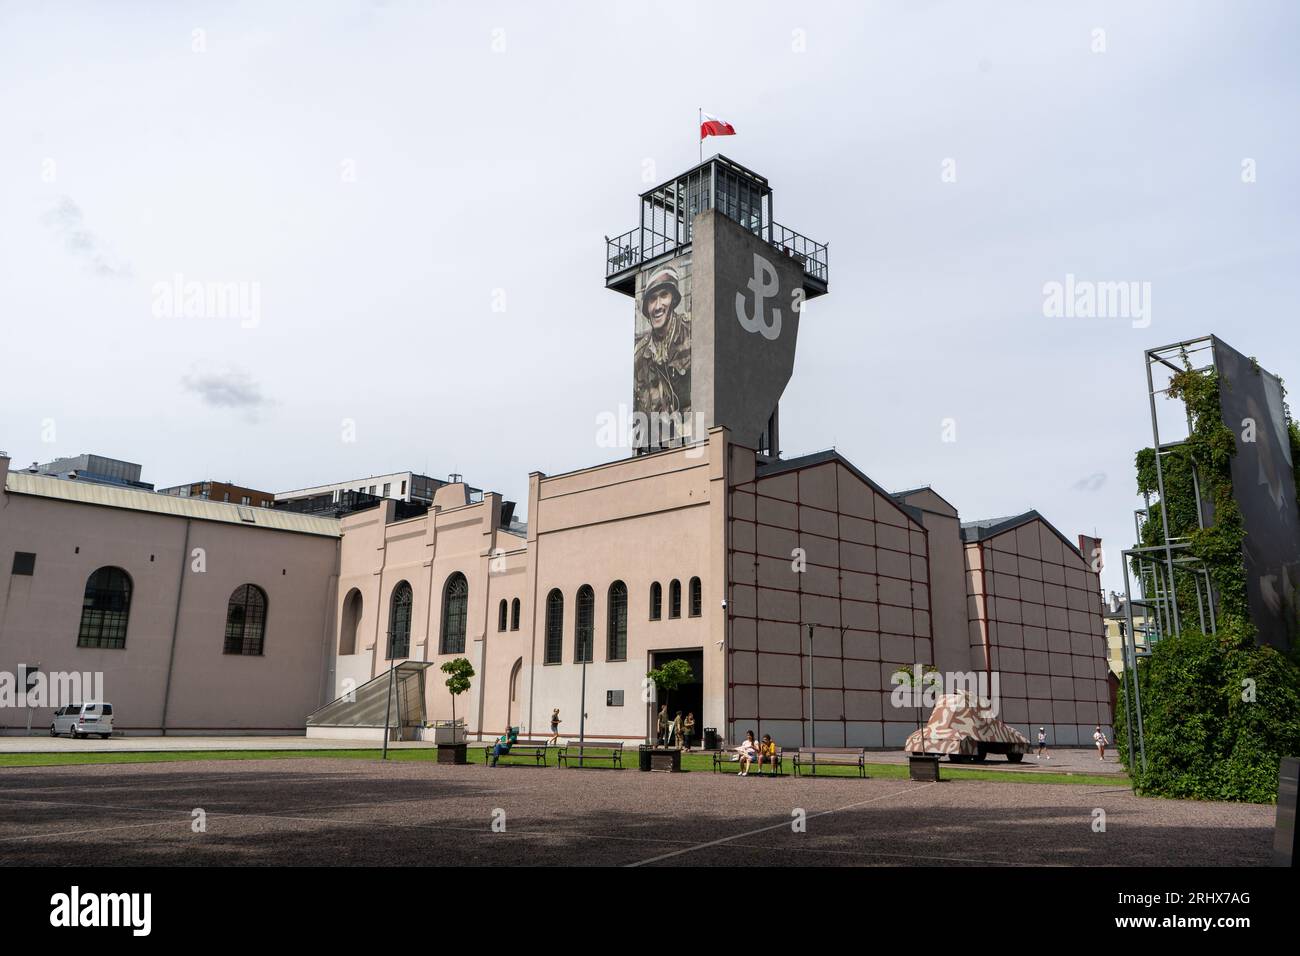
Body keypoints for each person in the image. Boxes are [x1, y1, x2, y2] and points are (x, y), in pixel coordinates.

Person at [633, 265, 692, 445]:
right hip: (659, 451)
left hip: (695, 442)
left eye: (663, 296)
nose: (657, 306)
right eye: (652, 299)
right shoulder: (640, 356)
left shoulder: (693, 331)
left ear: (673, 299)